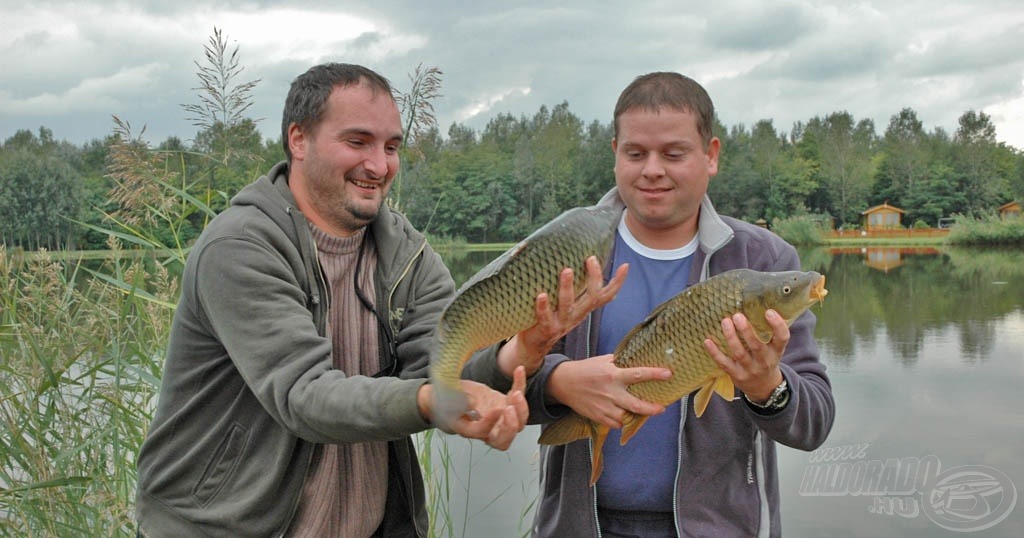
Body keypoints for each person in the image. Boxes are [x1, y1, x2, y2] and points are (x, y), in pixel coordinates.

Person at [136, 63, 546, 538]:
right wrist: (431, 401)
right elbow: (305, 395)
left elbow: (438, 370)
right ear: (299, 140)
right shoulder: (241, 247)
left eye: (391, 146)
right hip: (222, 527)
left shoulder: (407, 253)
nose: (379, 165)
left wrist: (520, 351)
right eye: (357, 142)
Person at [485, 72, 836, 537]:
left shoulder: (762, 260)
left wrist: (766, 386)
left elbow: (813, 423)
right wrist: (558, 382)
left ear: (710, 156)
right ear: (615, 153)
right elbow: (482, 383)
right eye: (635, 153)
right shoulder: (562, 252)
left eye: (673, 154)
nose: (652, 169)